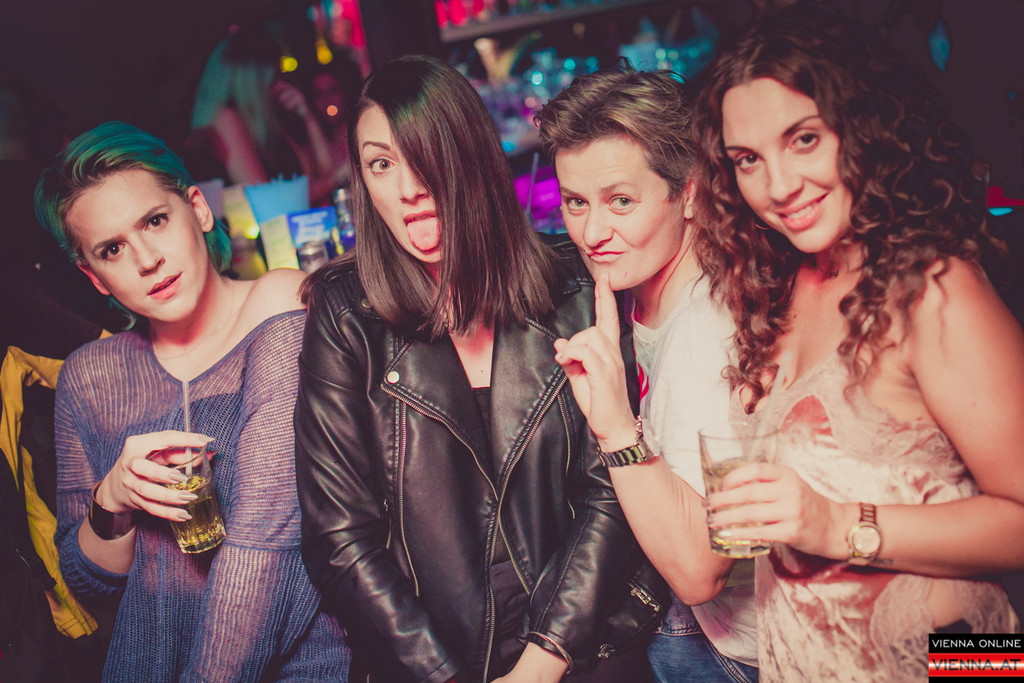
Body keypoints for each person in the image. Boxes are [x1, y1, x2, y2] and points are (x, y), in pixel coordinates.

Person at [293, 54, 667, 683]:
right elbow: (340, 539)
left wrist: (543, 660)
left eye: (425, 154)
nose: (408, 188)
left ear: (471, 153)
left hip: (577, 652)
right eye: (381, 164)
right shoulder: (345, 315)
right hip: (423, 667)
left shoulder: (576, 283)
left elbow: (609, 491)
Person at [691, 5, 1024, 680]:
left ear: (864, 128)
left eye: (804, 139)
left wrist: (836, 523)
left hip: (952, 659)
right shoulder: (782, 280)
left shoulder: (935, 288)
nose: (779, 186)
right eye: (748, 159)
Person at [34, 121, 351, 682]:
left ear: (199, 210)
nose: (147, 260)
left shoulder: (278, 304)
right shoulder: (89, 377)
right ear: (95, 277)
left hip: (299, 665)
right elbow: (90, 584)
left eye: (155, 221)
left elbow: (267, 539)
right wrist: (112, 500)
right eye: (112, 249)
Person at [537, 66, 757, 682]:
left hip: (739, 654)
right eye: (576, 203)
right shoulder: (638, 292)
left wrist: (614, 427)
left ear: (688, 194)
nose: (592, 233)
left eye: (621, 202)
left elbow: (700, 571)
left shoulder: (706, 327)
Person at [188, 26, 343, 204]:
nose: (279, 84)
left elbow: (323, 175)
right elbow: (266, 200)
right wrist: (338, 177)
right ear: (253, 81)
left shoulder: (266, 122)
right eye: (273, 76)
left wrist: (308, 116)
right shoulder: (225, 119)